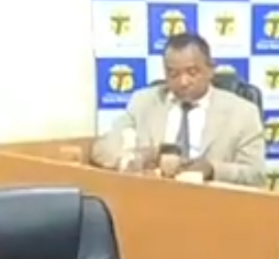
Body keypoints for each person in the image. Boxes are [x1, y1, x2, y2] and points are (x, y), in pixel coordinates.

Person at [91, 31, 267, 187]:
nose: (183, 82)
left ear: (210, 70)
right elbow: (102, 150)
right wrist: (144, 155)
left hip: (215, 204)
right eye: (173, 74)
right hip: (152, 198)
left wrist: (212, 169)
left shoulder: (243, 112)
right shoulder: (144, 102)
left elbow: (256, 175)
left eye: (192, 72)